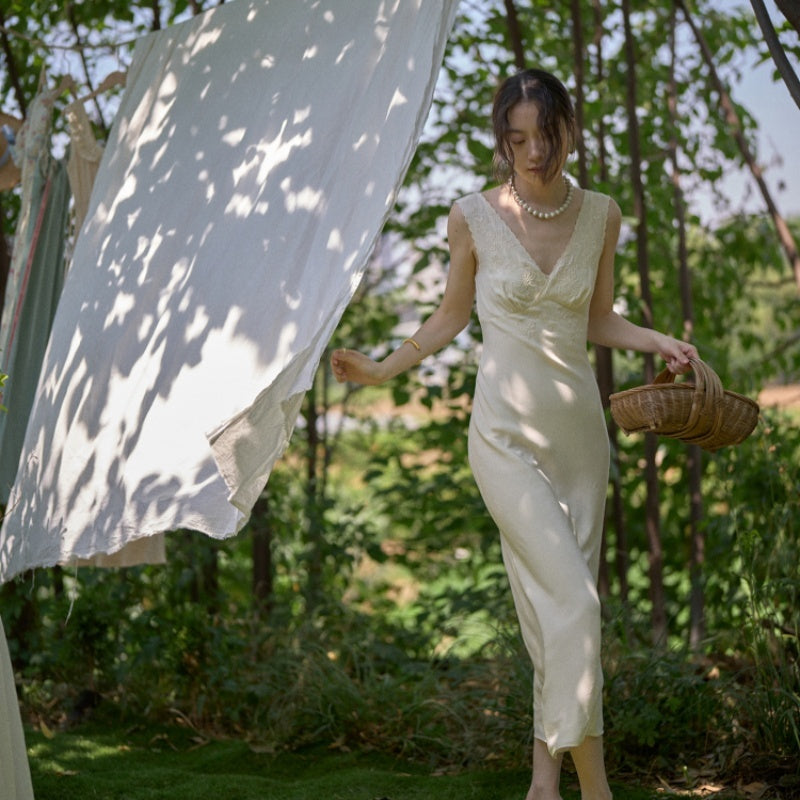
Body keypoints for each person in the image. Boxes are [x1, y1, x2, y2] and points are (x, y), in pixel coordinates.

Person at [331, 68, 697, 800]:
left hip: (579, 439)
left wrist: (657, 340)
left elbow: (596, 317)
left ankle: (545, 784)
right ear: (502, 139)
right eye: (517, 138)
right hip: (503, 434)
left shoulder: (602, 215)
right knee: (578, 606)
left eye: (545, 136)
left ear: (569, 131)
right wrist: (381, 370)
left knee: (554, 615)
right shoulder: (471, 216)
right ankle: (590, 786)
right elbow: (450, 315)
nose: (532, 152)